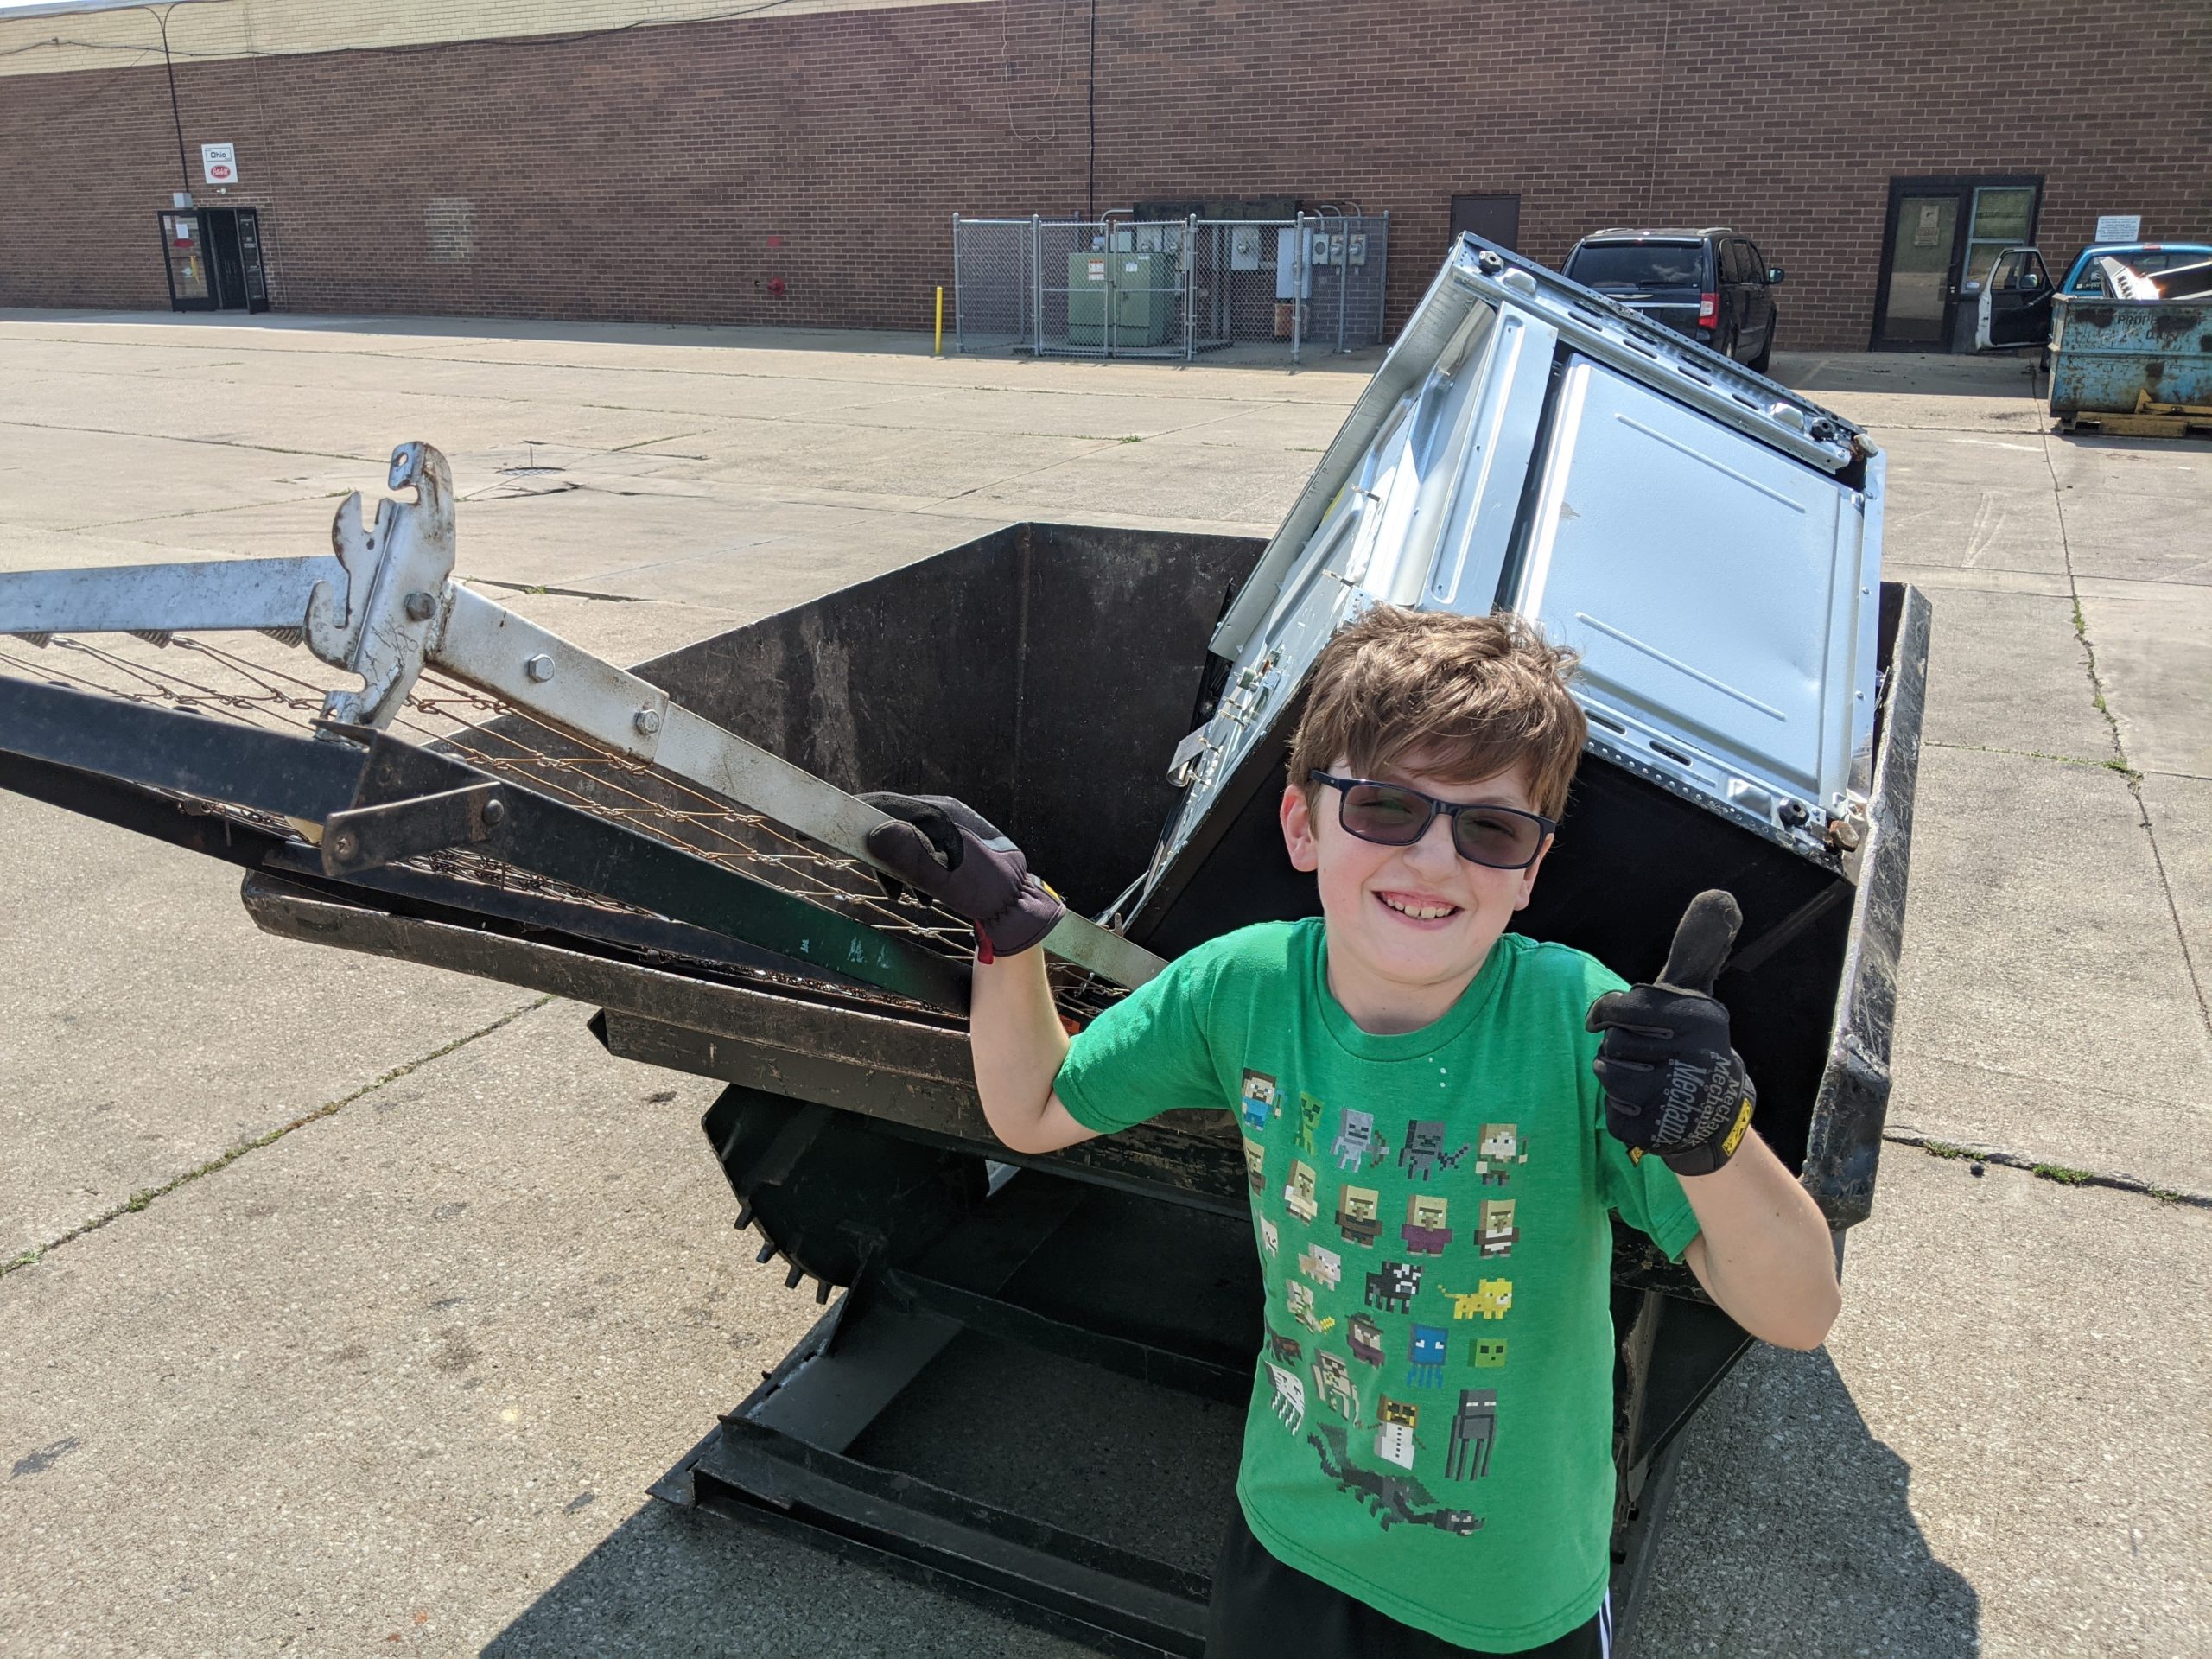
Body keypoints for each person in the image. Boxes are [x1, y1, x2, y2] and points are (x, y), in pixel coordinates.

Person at [861, 606, 1842, 1658]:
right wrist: (1009, 930)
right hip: (1287, 1542)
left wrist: (1712, 1135)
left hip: (1506, 1596)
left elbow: (1798, 1312)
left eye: (1490, 829)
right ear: (1302, 825)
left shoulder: (1579, 1024)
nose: (1433, 861)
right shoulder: (1241, 987)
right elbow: (1035, 1108)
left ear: (1530, 871)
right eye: (1384, 807)